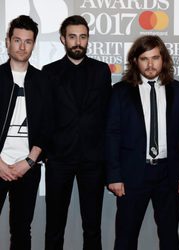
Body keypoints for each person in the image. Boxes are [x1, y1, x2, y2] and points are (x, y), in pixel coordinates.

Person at [106, 35, 179, 250]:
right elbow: (111, 135)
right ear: (135, 61)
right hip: (132, 174)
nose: (150, 64)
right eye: (144, 58)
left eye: (155, 58)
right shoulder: (120, 92)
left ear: (163, 59)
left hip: (169, 174)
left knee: (170, 238)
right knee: (125, 239)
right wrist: (114, 175)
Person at [42, 15, 112, 250]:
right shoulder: (49, 72)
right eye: (72, 37)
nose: (77, 42)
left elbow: (106, 116)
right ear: (63, 39)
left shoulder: (102, 71)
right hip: (59, 160)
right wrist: (48, 153)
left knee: (92, 228)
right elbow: (44, 116)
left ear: (88, 39)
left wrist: (104, 155)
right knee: (54, 227)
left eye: (82, 37)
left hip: (93, 161)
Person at [0, 15, 49, 250]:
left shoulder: (43, 81)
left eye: (28, 41)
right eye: (17, 40)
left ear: (33, 44)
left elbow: (50, 127)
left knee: (22, 231)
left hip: (27, 167)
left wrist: (30, 160)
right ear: (7, 41)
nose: (22, 46)